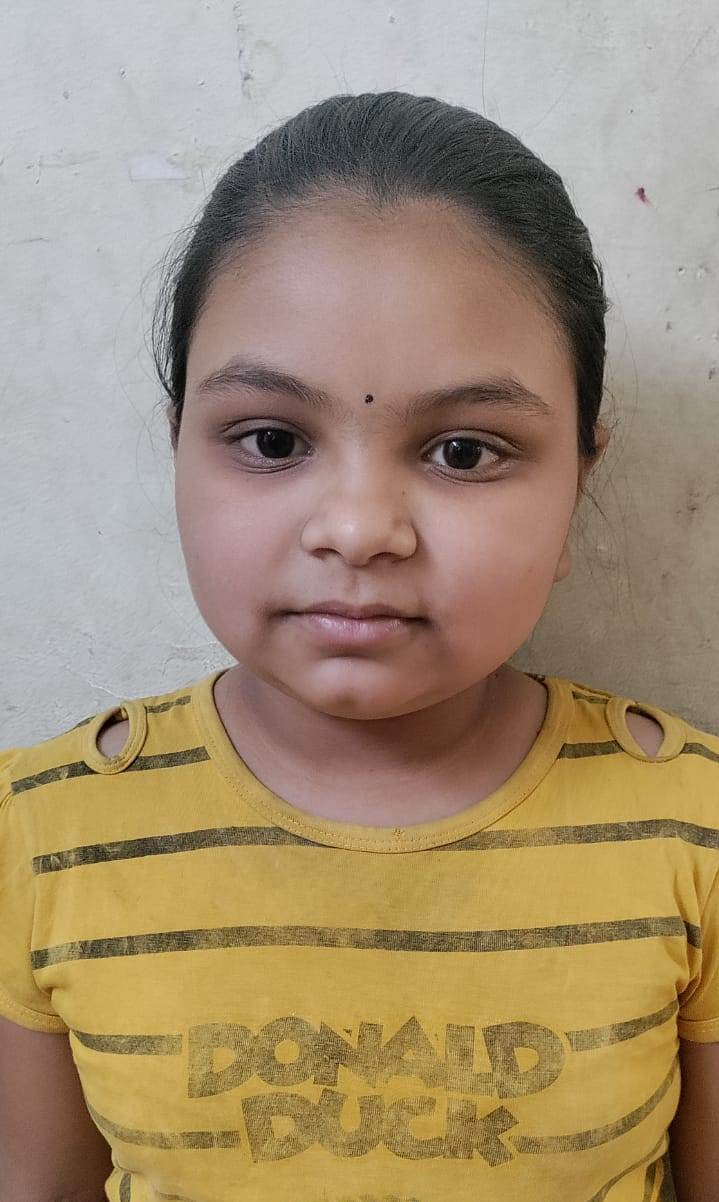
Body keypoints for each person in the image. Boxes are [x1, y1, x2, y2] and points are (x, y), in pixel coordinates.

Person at [0, 90, 716, 1202]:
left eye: (464, 451)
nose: (357, 528)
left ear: (579, 478)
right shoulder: (40, 836)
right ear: (178, 450)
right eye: (270, 440)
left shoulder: (693, 829)